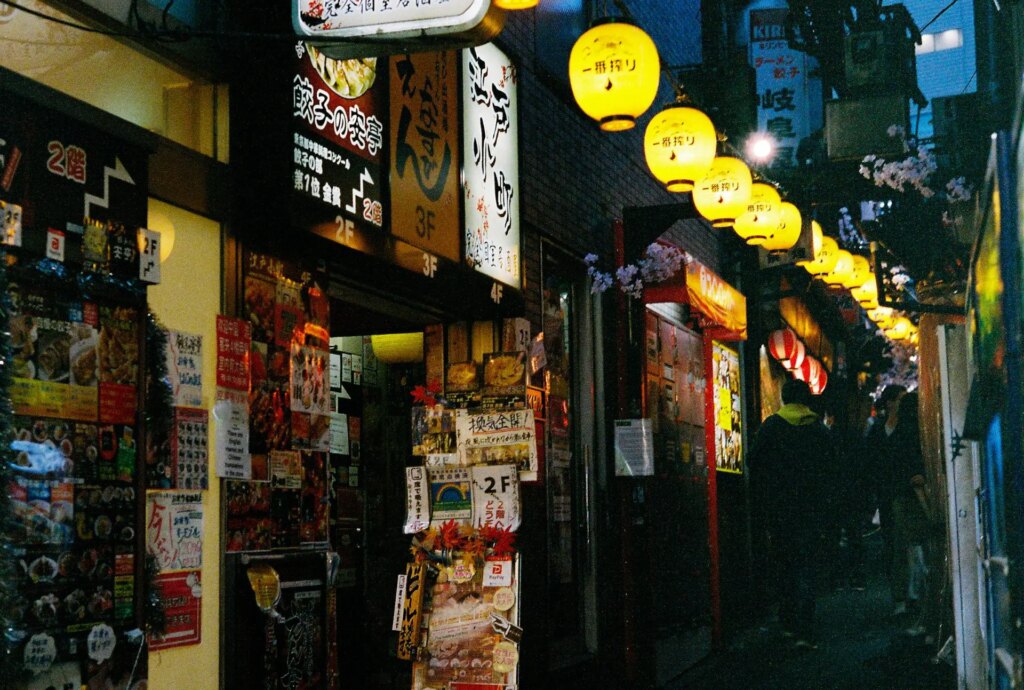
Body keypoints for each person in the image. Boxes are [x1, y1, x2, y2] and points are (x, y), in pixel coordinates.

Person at [749, 378, 836, 649]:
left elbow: (753, 461)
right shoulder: (818, 429)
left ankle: (787, 622)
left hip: (780, 509)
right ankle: (806, 625)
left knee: (784, 564)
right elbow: (832, 467)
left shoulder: (772, 426)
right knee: (807, 565)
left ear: (784, 399)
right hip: (811, 509)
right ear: (807, 399)